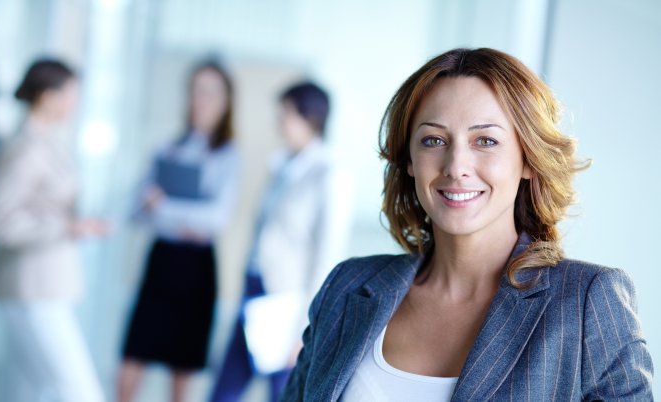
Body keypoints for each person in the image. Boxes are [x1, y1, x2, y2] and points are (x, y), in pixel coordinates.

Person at [281, 48, 653, 401]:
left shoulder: (589, 302)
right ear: (409, 159)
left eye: (486, 141)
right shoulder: (346, 287)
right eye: (434, 140)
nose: (456, 165)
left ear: (528, 160)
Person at [209, 82, 350, 402]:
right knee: (224, 390)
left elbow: (326, 257)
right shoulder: (282, 166)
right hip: (254, 289)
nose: (279, 122)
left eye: (286, 114)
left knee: (283, 393)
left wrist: (304, 327)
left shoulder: (329, 174)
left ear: (310, 118)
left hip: (287, 305)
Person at [0, 59, 108, 402]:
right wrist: (66, 227)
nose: (74, 103)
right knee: (80, 391)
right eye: (71, 94)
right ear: (48, 97)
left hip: (44, 285)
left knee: (34, 390)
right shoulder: (25, 148)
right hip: (33, 288)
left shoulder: (47, 143)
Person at [118, 60, 241, 402]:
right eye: (196, 90)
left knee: (182, 367)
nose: (200, 100)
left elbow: (215, 221)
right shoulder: (167, 148)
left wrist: (164, 207)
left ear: (226, 100)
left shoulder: (229, 156)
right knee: (133, 355)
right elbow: (137, 212)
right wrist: (179, 217)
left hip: (197, 268)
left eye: (210, 92)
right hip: (162, 260)